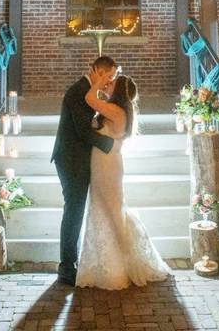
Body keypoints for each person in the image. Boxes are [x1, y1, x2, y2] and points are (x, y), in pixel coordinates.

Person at [74, 72, 171, 289]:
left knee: (113, 211)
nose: (109, 83)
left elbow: (90, 100)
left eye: (112, 82)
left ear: (118, 91)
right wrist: (102, 86)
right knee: (103, 209)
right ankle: (103, 264)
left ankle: (122, 266)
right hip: (101, 165)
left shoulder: (117, 111)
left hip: (108, 167)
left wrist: (97, 83)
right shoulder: (114, 109)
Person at [50, 55, 118, 286]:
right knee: (74, 211)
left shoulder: (90, 92)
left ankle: (72, 263)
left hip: (79, 158)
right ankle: (66, 268)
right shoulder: (78, 92)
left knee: (76, 210)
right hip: (71, 160)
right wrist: (111, 145)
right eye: (108, 76)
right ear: (97, 71)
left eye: (112, 78)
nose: (110, 81)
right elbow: (82, 131)